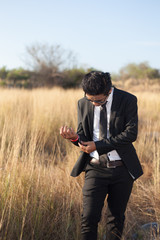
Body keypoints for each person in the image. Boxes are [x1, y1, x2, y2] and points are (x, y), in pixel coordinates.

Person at [60, 71, 143, 240]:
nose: (94, 104)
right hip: (95, 168)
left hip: (122, 170)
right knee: (88, 218)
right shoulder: (83, 103)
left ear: (109, 91)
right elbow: (83, 136)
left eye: (98, 100)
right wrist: (74, 138)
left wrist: (98, 145)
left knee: (115, 219)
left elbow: (130, 134)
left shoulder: (128, 100)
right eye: (90, 100)